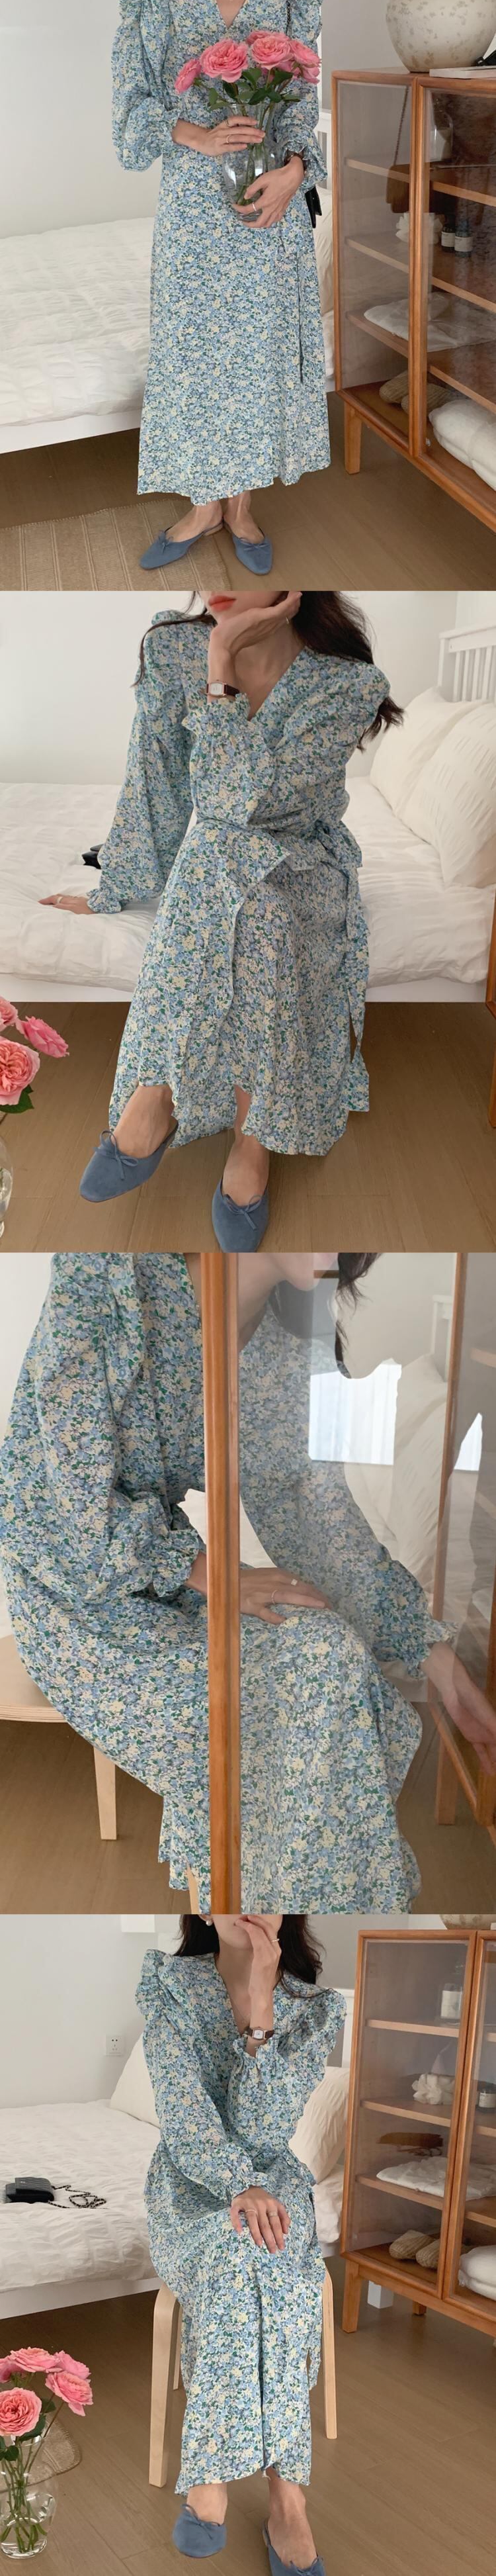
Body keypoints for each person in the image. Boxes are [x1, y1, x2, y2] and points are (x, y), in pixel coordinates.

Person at [1, 1252, 495, 1907]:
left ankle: (305, 1913)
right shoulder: (111, 1272)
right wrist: (211, 1572)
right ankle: (272, 1911)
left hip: (172, 1579)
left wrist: (439, 1662)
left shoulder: (288, 1342)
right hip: (69, 1594)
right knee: (278, 1705)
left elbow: (315, 1517)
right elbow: (52, 1496)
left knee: (331, 1654)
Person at [67, 593, 400, 1246]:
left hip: (302, 857)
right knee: (220, 862)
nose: (217, 582)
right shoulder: (171, 647)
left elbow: (240, 806)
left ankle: (220, 1126)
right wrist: (117, 886)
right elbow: (157, 783)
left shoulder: (349, 682)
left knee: (244, 878)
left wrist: (221, 661)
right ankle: (184, 1107)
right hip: (217, 857)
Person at [110, 0, 330, 574]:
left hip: (271, 207)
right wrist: (198, 136)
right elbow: (130, 103)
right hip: (193, 212)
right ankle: (204, 506)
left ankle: (240, 507)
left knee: (259, 354)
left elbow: (301, 108)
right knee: (194, 354)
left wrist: (295, 173)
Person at [138, 1913, 341, 2567]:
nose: (247, 1902)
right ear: (203, 1902)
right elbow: (185, 2119)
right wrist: (235, 2185)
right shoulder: (168, 1985)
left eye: (265, 1889)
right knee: (238, 2252)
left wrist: (260, 2005)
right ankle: (253, 2489)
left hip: (276, 2185)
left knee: (267, 2251)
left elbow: (262, 2131)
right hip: (191, 2186)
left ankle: (259, 2490)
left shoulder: (315, 2008)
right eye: (232, 1885)